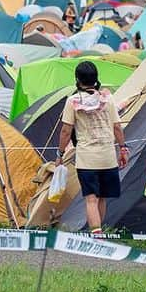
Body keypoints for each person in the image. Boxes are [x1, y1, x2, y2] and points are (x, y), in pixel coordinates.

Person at [58, 59, 127, 237]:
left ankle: (96, 234)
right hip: (107, 156)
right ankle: (100, 232)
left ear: (78, 79)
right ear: (96, 78)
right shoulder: (107, 98)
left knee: (91, 199)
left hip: (87, 157)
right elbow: (117, 127)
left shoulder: (72, 101)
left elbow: (66, 131)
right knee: (102, 197)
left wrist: (60, 153)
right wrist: (123, 149)